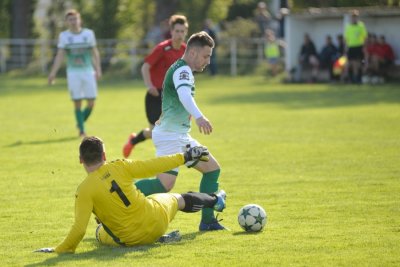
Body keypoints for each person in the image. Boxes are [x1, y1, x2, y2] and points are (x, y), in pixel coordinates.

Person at [34, 136, 226, 253]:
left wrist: (59, 250)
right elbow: (153, 165)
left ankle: (109, 226)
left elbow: (79, 230)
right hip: (156, 221)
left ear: (80, 160)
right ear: (104, 156)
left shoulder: (83, 190)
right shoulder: (120, 165)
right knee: (178, 198)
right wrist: (184, 157)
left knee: (100, 232)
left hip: (129, 240)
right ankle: (216, 200)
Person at [133, 31, 225, 231]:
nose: (208, 61)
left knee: (212, 170)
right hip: (170, 137)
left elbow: (176, 100)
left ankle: (207, 221)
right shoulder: (182, 71)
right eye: (205, 56)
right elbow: (184, 95)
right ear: (192, 53)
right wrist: (200, 117)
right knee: (163, 186)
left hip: (178, 135)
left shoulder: (181, 69)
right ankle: (119, 196)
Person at [123, 15, 189, 158]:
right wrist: (149, 85)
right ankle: (135, 141)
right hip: (155, 95)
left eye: (182, 31)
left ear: (186, 32)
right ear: (171, 31)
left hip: (172, 98)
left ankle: (137, 141)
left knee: (168, 131)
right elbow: (145, 67)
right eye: (177, 31)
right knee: (157, 132)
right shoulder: (162, 48)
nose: (179, 34)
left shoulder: (186, 51)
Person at [48, 9, 102, 138]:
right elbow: (60, 55)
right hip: (73, 73)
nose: (73, 22)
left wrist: (98, 68)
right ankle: (82, 130)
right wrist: (53, 73)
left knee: (91, 102)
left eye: (75, 19)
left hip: (88, 72)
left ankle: (80, 121)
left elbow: (94, 52)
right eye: (70, 19)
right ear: (67, 22)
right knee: (77, 101)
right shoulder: (64, 36)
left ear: (80, 20)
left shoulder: (88, 34)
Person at [344, 9, 367, 83]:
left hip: (359, 47)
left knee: (358, 63)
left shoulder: (361, 25)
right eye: (353, 17)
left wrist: (364, 47)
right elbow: (346, 39)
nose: (354, 18)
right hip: (351, 47)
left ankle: (357, 78)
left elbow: (364, 37)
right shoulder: (348, 26)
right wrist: (346, 48)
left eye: (355, 16)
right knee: (350, 64)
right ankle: (350, 78)